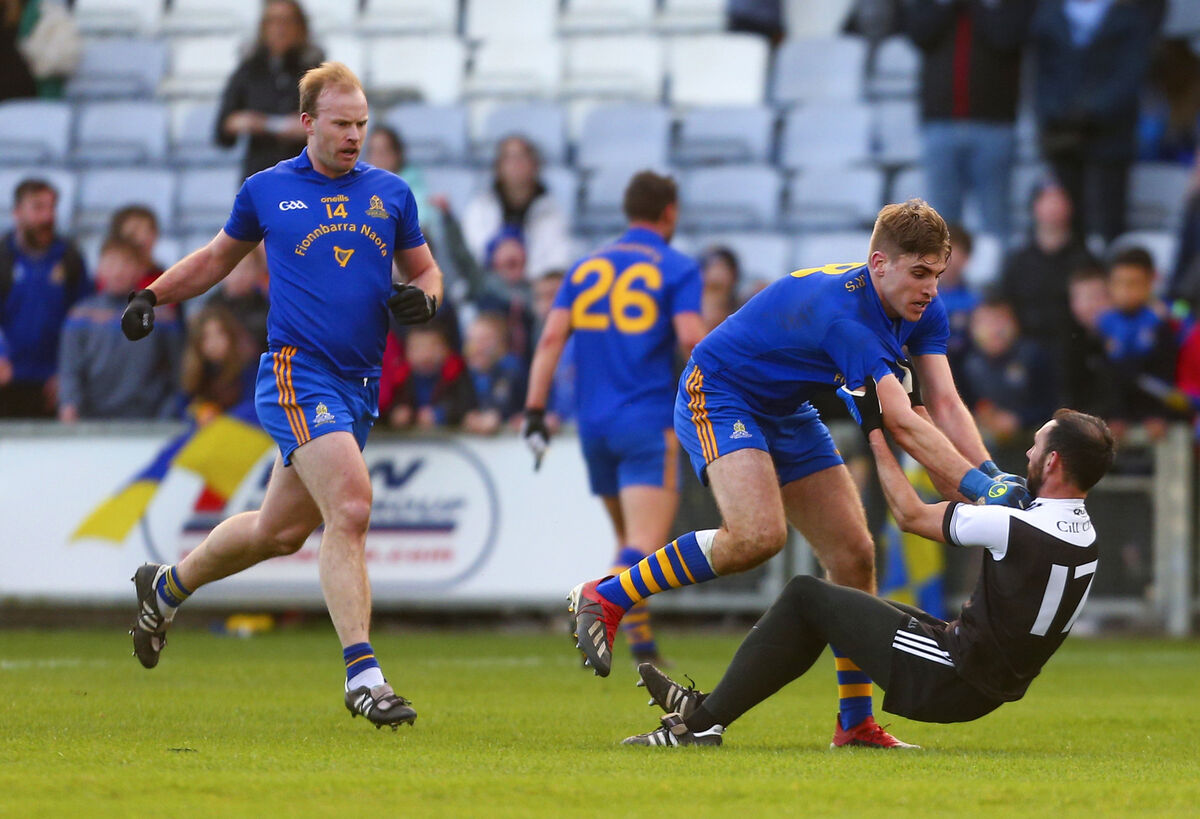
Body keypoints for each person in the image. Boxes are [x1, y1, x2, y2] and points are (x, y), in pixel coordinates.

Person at [565, 199, 1031, 750]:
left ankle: (854, 724)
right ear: (879, 263)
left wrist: (990, 473)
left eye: (938, 274)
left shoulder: (920, 307)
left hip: (785, 409)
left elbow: (947, 403)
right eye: (919, 273)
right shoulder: (848, 320)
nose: (930, 288)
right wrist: (983, 489)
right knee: (757, 537)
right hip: (718, 391)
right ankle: (608, 594)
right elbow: (904, 422)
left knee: (854, 555)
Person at [122, 62, 444, 731]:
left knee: (278, 532)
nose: (356, 135)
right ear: (307, 122)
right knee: (351, 507)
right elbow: (215, 259)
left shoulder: (391, 193)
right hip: (298, 374)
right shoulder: (268, 190)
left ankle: (166, 586)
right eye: (342, 124)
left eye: (362, 123)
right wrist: (154, 293)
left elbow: (426, 269)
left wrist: (426, 299)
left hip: (357, 387)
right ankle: (365, 675)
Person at [623, 400, 1115, 748]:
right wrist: (916, 413)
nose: (1026, 455)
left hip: (954, 677)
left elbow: (909, 515)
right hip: (985, 677)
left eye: (1035, 448)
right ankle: (708, 710)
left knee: (806, 595)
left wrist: (878, 433)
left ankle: (700, 725)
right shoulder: (1084, 533)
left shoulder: (1013, 524)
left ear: (1052, 461)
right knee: (836, 605)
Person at [523, 171, 705, 666]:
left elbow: (550, 341)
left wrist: (535, 410)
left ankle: (642, 645)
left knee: (629, 543)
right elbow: (691, 337)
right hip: (646, 420)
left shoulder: (584, 269)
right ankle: (593, 599)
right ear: (669, 212)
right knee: (644, 548)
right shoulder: (677, 267)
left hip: (593, 426)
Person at [903, 0, 1035, 246]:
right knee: (939, 223)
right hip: (940, 124)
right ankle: (942, 283)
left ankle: (995, 281)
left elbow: (1007, 37)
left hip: (994, 125)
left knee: (995, 217)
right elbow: (919, 33)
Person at [1031, 0, 1164, 243]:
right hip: (1062, 138)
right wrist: (1059, 113)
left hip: (1111, 136)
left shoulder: (1129, 16)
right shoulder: (1049, 15)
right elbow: (1041, 74)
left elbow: (1129, 75)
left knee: (1107, 221)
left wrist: (1089, 111)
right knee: (1068, 222)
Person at [57, 237, 181, 422]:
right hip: (91, 420)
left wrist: (168, 413)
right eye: (111, 263)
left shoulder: (162, 317)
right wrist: (69, 405)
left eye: (126, 263)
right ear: (99, 269)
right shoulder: (80, 315)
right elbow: (70, 370)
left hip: (149, 421)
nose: (118, 271)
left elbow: (177, 372)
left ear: (140, 270)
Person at [0, 177, 89, 418]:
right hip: (7, 378)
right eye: (38, 207)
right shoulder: (3, 258)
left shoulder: (70, 258)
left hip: (53, 383)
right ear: (17, 212)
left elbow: (82, 320)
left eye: (52, 207)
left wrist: (67, 374)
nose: (47, 217)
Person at [215, 0, 323, 180]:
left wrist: (308, 128)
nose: (280, 29)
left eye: (287, 21)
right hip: (260, 175)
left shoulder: (316, 72)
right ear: (263, 27)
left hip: (305, 177)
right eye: (273, 21)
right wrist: (246, 122)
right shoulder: (249, 71)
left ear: (301, 27)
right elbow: (222, 130)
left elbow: (333, 125)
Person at [1094, 246, 1187, 438]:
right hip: (1116, 418)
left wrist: (1159, 414)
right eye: (1118, 283)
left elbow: (1166, 377)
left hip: (1159, 415)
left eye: (1133, 283)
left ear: (1150, 283)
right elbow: (1104, 378)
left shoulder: (1164, 322)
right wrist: (1114, 414)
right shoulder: (1103, 326)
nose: (1125, 291)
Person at [998, 179, 1097, 352]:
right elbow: (1003, 305)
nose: (1053, 207)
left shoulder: (1086, 261)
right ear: (1034, 207)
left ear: (1071, 206)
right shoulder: (1017, 261)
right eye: (1046, 200)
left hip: (1074, 347)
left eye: (1059, 200)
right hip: (1024, 347)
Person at [462, 135, 572, 279]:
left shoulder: (552, 210)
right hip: (487, 286)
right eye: (509, 158)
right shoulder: (480, 206)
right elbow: (473, 251)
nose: (516, 164)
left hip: (535, 287)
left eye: (522, 157)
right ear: (498, 167)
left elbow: (557, 258)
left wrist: (523, 271)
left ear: (535, 165)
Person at [959, 294, 1057, 452]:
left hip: (1033, 443)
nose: (994, 330)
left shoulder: (1033, 356)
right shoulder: (968, 363)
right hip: (985, 443)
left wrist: (1019, 420)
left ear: (1015, 323)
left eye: (999, 320)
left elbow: (1053, 405)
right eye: (985, 322)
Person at [380, 323, 475, 430]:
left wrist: (440, 415)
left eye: (433, 346)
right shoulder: (400, 377)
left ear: (447, 349)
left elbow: (465, 406)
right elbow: (384, 405)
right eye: (417, 348)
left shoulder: (457, 373)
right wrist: (396, 413)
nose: (426, 354)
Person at [180, 303, 257, 424]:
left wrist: (219, 417)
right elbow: (184, 408)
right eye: (206, 337)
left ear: (231, 336)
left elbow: (253, 409)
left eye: (219, 334)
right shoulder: (197, 375)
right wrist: (199, 413)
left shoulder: (249, 370)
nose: (213, 343)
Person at [462, 312, 525, 435]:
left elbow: (507, 401)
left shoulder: (512, 367)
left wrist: (496, 415)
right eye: (472, 339)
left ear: (501, 343)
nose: (477, 346)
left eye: (485, 339)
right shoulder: (465, 372)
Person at [106, 204, 164, 290]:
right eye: (134, 231)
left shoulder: (164, 279)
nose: (142, 238)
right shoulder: (105, 282)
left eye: (149, 231)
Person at [699, 245, 741, 332]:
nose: (718, 272)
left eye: (723, 267)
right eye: (714, 266)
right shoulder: (689, 305)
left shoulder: (740, 307)